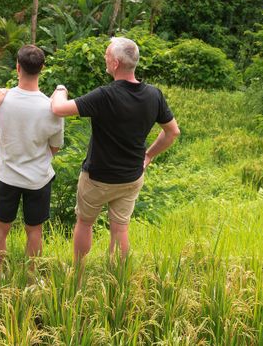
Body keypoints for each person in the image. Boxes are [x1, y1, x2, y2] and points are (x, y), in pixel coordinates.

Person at [50, 37, 180, 262]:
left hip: (98, 178)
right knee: (120, 229)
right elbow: (172, 132)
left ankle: (78, 274)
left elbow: (59, 109)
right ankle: (117, 279)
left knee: (84, 222)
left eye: (107, 55)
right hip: (131, 177)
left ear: (116, 64)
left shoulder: (105, 95)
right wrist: (148, 155)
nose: (105, 58)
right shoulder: (153, 95)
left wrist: (60, 90)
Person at [0, 44, 64, 266]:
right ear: (42, 68)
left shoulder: (1, 100)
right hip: (38, 178)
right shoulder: (52, 108)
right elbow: (55, 147)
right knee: (34, 230)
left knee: (1, 227)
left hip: (6, 175)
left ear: (17, 67)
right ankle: (30, 280)